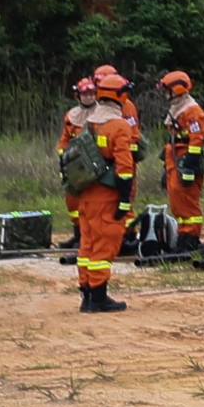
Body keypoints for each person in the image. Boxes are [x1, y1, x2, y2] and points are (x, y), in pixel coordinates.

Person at [58, 74, 140, 312]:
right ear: (120, 96)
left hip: (85, 195)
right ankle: (99, 298)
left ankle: (86, 295)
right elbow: (125, 169)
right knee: (104, 248)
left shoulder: (89, 122)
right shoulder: (119, 126)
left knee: (87, 247)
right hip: (107, 196)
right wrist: (125, 201)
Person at [158, 71, 204, 234]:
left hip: (185, 160)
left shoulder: (192, 111)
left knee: (187, 199)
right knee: (177, 200)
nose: (166, 94)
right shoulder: (177, 108)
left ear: (178, 89)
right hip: (175, 159)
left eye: (168, 90)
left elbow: (196, 138)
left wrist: (190, 165)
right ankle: (183, 233)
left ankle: (191, 235)